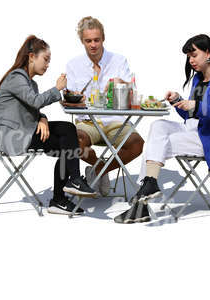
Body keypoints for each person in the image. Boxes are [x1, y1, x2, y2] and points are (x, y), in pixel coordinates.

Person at [114, 34, 210, 224]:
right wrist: (178, 102)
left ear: (208, 53)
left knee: (158, 143)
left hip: (208, 138)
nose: (191, 60)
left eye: (194, 55)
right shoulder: (197, 79)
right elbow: (190, 116)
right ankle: (150, 184)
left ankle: (142, 201)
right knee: (158, 126)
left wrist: (195, 105)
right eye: (188, 57)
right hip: (191, 129)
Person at [0, 35, 96, 216]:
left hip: (23, 130)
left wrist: (42, 118)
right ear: (31, 57)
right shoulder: (16, 77)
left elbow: (32, 107)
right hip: (13, 137)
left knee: (68, 138)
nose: (47, 64)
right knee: (68, 139)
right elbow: (35, 102)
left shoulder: (29, 82)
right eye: (45, 59)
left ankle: (62, 194)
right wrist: (57, 89)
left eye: (49, 61)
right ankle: (68, 187)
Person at [65, 16, 144, 197]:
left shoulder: (119, 60)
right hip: (88, 122)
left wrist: (122, 82)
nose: (93, 45)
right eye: (88, 41)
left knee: (137, 145)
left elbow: (132, 90)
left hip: (115, 120)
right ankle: (101, 169)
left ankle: (99, 170)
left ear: (103, 38)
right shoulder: (73, 65)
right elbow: (69, 98)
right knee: (75, 142)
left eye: (96, 40)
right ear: (82, 41)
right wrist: (76, 98)